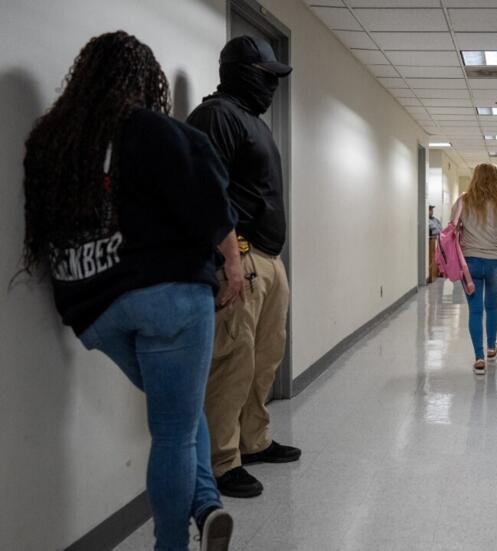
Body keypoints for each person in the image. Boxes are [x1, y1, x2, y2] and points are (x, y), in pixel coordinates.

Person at [21, 31, 237, 550]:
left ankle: (206, 505)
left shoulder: (53, 141)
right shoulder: (151, 129)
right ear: (144, 81)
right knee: (173, 429)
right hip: (169, 300)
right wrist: (231, 262)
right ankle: (172, 543)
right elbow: (209, 197)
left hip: (93, 309)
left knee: (177, 415)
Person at [187, 35, 300, 498]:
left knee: (265, 356)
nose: (271, 87)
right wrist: (231, 259)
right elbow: (206, 193)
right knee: (233, 358)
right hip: (240, 258)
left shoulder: (253, 121)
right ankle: (222, 460)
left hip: (268, 260)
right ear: (239, 72)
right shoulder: (216, 117)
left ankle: (255, 440)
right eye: (265, 76)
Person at [452, 164, 497, 373]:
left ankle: (479, 358)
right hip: (496, 264)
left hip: (469, 264)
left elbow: (452, 228)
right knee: (491, 307)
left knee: (475, 310)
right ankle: (491, 347)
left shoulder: (463, 201)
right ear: (496, 179)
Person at [427, 205, 442, 283]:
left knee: (438, 257)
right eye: (430, 209)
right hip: (431, 242)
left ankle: (438, 272)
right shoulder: (425, 220)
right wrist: (436, 230)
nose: (431, 211)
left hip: (437, 240)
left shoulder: (436, 219)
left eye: (432, 210)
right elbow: (433, 229)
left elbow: (440, 229)